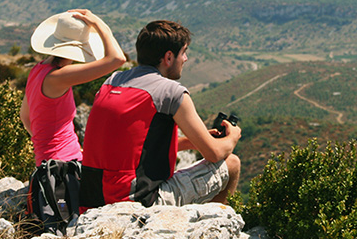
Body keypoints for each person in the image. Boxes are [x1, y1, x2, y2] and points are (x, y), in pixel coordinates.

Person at [79, 20, 241, 210]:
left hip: (92, 201)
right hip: (137, 203)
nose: (186, 59)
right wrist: (232, 138)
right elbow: (214, 154)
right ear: (169, 57)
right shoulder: (171, 93)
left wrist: (192, 141)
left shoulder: (112, 81)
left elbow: (132, 147)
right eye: (184, 52)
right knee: (231, 163)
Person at [20, 9, 126, 165]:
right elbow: (117, 59)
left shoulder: (37, 71)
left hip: (49, 164)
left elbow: (25, 117)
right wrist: (98, 23)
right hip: (64, 168)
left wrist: (51, 145)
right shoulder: (58, 77)